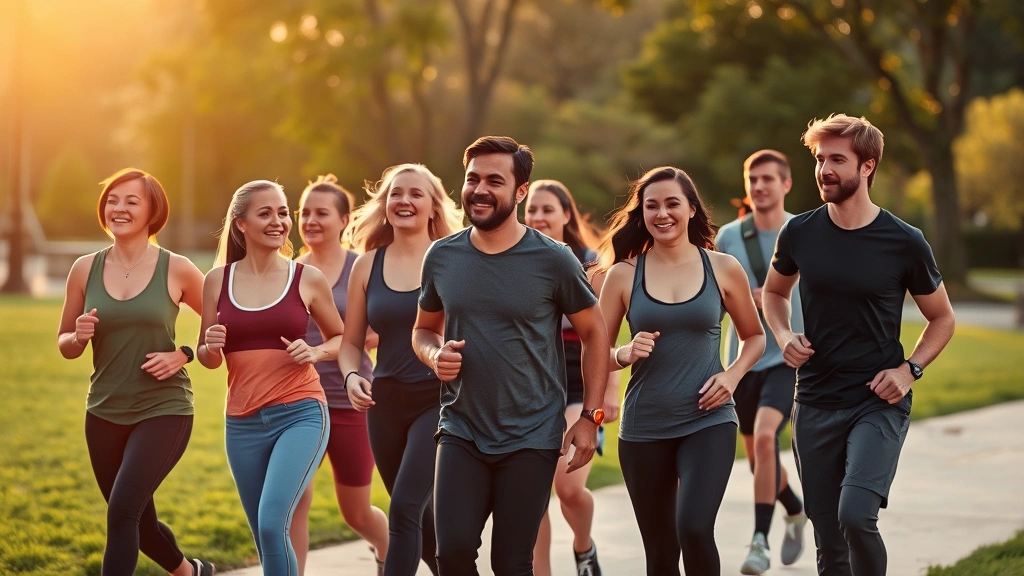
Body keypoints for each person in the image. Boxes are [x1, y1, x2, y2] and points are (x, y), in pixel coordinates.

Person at [763, 114, 955, 576]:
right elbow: (773, 292)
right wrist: (785, 336)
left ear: (867, 166)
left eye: (837, 160)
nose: (824, 170)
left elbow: (942, 318)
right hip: (814, 399)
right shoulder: (800, 233)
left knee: (855, 516)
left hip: (877, 399)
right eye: (819, 159)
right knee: (829, 539)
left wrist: (910, 370)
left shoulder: (904, 241)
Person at [412, 136, 610, 576]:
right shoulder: (443, 256)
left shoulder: (554, 259)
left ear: (521, 191)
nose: (480, 189)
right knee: (455, 552)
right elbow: (424, 330)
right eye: (472, 179)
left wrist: (589, 417)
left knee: (511, 562)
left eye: (494, 181)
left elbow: (596, 333)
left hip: (532, 434)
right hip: (462, 427)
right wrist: (433, 355)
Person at [597, 166, 766, 576]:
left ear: (691, 208)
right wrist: (623, 353)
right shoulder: (623, 275)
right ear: (642, 214)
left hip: (708, 420)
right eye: (651, 205)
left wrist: (732, 376)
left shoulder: (723, 268)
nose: (662, 213)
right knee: (659, 550)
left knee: (693, 527)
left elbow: (755, 337)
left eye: (672, 203)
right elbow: (594, 350)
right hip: (644, 426)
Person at [56, 168, 214, 576]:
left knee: (122, 512)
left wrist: (183, 354)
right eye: (112, 199)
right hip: (104, 409)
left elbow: (218, 329)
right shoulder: (83, 269)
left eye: (131, 201)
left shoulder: (177, 268)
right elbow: (65, 346)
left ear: (152, 212)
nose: (118, 208)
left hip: (164, 408)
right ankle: (191, 572)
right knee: (137, 522)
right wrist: (77, 335)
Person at [197, 180, 343, 575]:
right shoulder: (217, 280)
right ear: (241, 223)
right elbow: (207, 358)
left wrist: (314, 351)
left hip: (301, 413)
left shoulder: (306, 278)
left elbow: (343, 338)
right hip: (241, 422)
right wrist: (210, 345)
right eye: (266, 213)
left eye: (282, 213)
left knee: (271, 522)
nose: (279, 221)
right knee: (266, 538)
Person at [343, 163, 465, 576]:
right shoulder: (366, 265)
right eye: (396, 193)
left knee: (404, 508)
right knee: (420, 523)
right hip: (384, 403)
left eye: (416, 194)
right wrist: (351, 375)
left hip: (439, 399)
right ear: (385, 204)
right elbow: (350, 343)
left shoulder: (455, 260)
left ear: (433, 206)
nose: (404, 201)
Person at [289, 175, 390, 575]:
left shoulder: (361, 267)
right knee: (295, 501)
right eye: (305, 213)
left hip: (351, 401)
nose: (311, 220)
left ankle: (387, 552)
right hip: (298, 403)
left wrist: (354, 342)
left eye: (321, 213)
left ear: (344, 219)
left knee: (357, 514)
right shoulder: (289, 271)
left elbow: (392, 322)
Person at [715, 150, 808, 574]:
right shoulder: (730, 238)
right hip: (746, 359)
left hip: (790, 359)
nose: (760, 186)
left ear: (786, 184)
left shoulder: (806, 232)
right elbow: (712, 302)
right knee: (758, 462)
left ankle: (759, 543)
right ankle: (794, 509)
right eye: (753, 178)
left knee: (768, 441)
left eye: (769, 178)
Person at [524, 179, 620, 576]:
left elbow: (605, 333)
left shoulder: (591, 265)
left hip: (580, 386)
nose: (539, 217)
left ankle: (584, 547)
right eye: (532, 209)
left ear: (567, 214)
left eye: (548, 209)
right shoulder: (517, 259)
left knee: (567, 488)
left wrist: (610, 389)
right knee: (531, 496)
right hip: (532, 389)